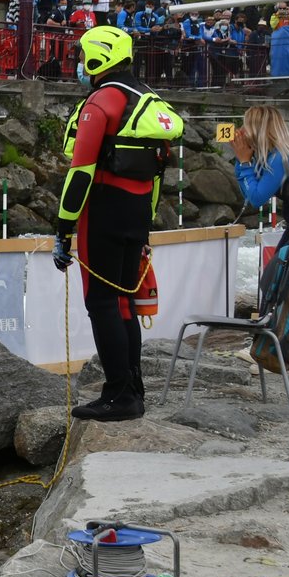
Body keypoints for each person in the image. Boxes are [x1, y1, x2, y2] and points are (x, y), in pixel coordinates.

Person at [53, 25, 179, 422]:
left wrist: (63, 229)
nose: (78, 65)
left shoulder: (102, 101)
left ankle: (118, 394)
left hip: (103, 211)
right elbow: (157, 175)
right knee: (123, 300)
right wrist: (145, 228)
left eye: (81, 58)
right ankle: (133, 388)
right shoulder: (150, 100)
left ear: (97, 58)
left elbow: (80, 172)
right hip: (138, 211)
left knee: (102, 302)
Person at [231, 106, 289, 253]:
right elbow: (249, 194)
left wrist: (244, 163)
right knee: (276, 270)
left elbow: (256, 199)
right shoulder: (279, 153)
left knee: (278, 271)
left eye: (245, 125)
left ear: (258, 129)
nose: (241, 130)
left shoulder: (280, 157)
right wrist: (241, 160)